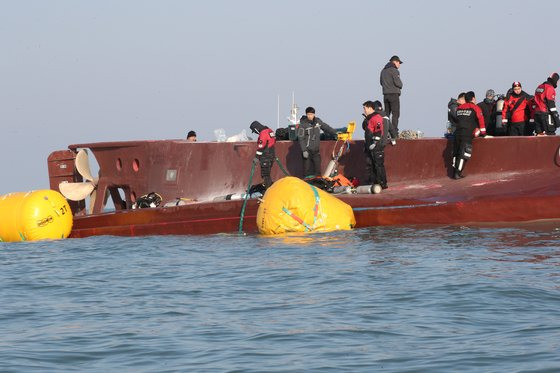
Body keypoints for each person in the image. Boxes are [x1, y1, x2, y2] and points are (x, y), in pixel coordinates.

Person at [452, 91, 486, 179]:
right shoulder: (475, 108)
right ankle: (457, 173)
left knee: (456, 152)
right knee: (464, 154)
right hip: (466, 134)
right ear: (473, 99)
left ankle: (454, 171)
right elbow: (481, 120)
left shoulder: (459, 108)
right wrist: (483, 133)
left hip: (457, 133)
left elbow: (457, 120)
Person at [297, 107, 338, 178]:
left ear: (314, 114)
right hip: (307, 151)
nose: (310, 116)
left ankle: (317, 186)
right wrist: (304, 150)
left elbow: (326, 127)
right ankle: (307, 185)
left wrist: (335, 133)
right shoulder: (303, 125)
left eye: (311, 114)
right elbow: (301, 138)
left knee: (318, 171)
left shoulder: (318, 122)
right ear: (306, 114)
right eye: (308, 114)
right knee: (307, 172)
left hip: (316, 151)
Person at [362, 100, 389, 189]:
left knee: (378, 165)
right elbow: (365, 128)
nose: (364, 110)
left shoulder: (376, 117)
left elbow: (378, 131)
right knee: (371, 165)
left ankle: (382, 183)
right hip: (370, 146)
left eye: (365, 108)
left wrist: (374, 143)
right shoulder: (369, 118)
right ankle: (374, 182)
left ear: (370, 108)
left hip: (376, 146)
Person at [380, 55, 403, 144]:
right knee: (395, 114)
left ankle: (386, 132)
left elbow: (381, 82)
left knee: (386, 115)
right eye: (399, 63)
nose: (399, 65)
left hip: (385, 95)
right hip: (394, 95)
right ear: (395, 62)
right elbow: (399, 83)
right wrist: (400, 84)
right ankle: (394, 133)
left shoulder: (383, 71)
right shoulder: (394, 70)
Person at [249, 121, 276, 189]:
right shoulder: (270, 131)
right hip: (271, 155)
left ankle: (268, 191)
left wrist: (256, 158)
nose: (255, 133)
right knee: (268, 174)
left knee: (265, 175)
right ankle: (269, 189)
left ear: (256, 129)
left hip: (265, 156)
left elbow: (261, 147)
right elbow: (272, 142)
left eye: (254, 131)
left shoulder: (263, 133)